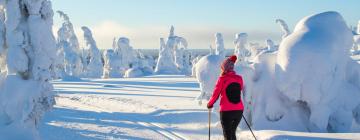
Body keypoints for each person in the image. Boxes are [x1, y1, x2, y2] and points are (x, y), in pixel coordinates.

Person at [207, 55, 244, 140]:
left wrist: (210, 104)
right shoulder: (239, 78)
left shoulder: (222, 79)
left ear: (224, 68)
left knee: (227, 134)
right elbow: (240, 89)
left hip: (226, 111)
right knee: (232, 132)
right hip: (239, 110)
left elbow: (215, 95)